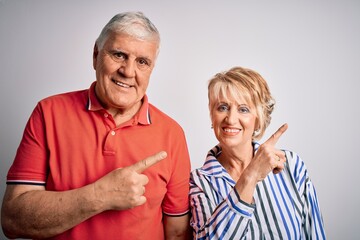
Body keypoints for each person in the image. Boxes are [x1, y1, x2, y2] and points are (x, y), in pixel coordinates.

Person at [1, 12, 191, 240]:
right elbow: (12, 221)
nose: (128, 71)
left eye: (142, 62)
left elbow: (178, 233)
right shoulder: (48, 113)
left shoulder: (172, 134)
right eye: (119, 55)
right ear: (95, 55)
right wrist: (99, 195)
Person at [189, 66, 326, 239]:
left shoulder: (290, 164)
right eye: (222, 107)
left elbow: (314, 234)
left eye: (243, 109)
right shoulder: (199, 182)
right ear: (212, 114)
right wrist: (251, 176)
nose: (230, 119)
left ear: (259, 119)